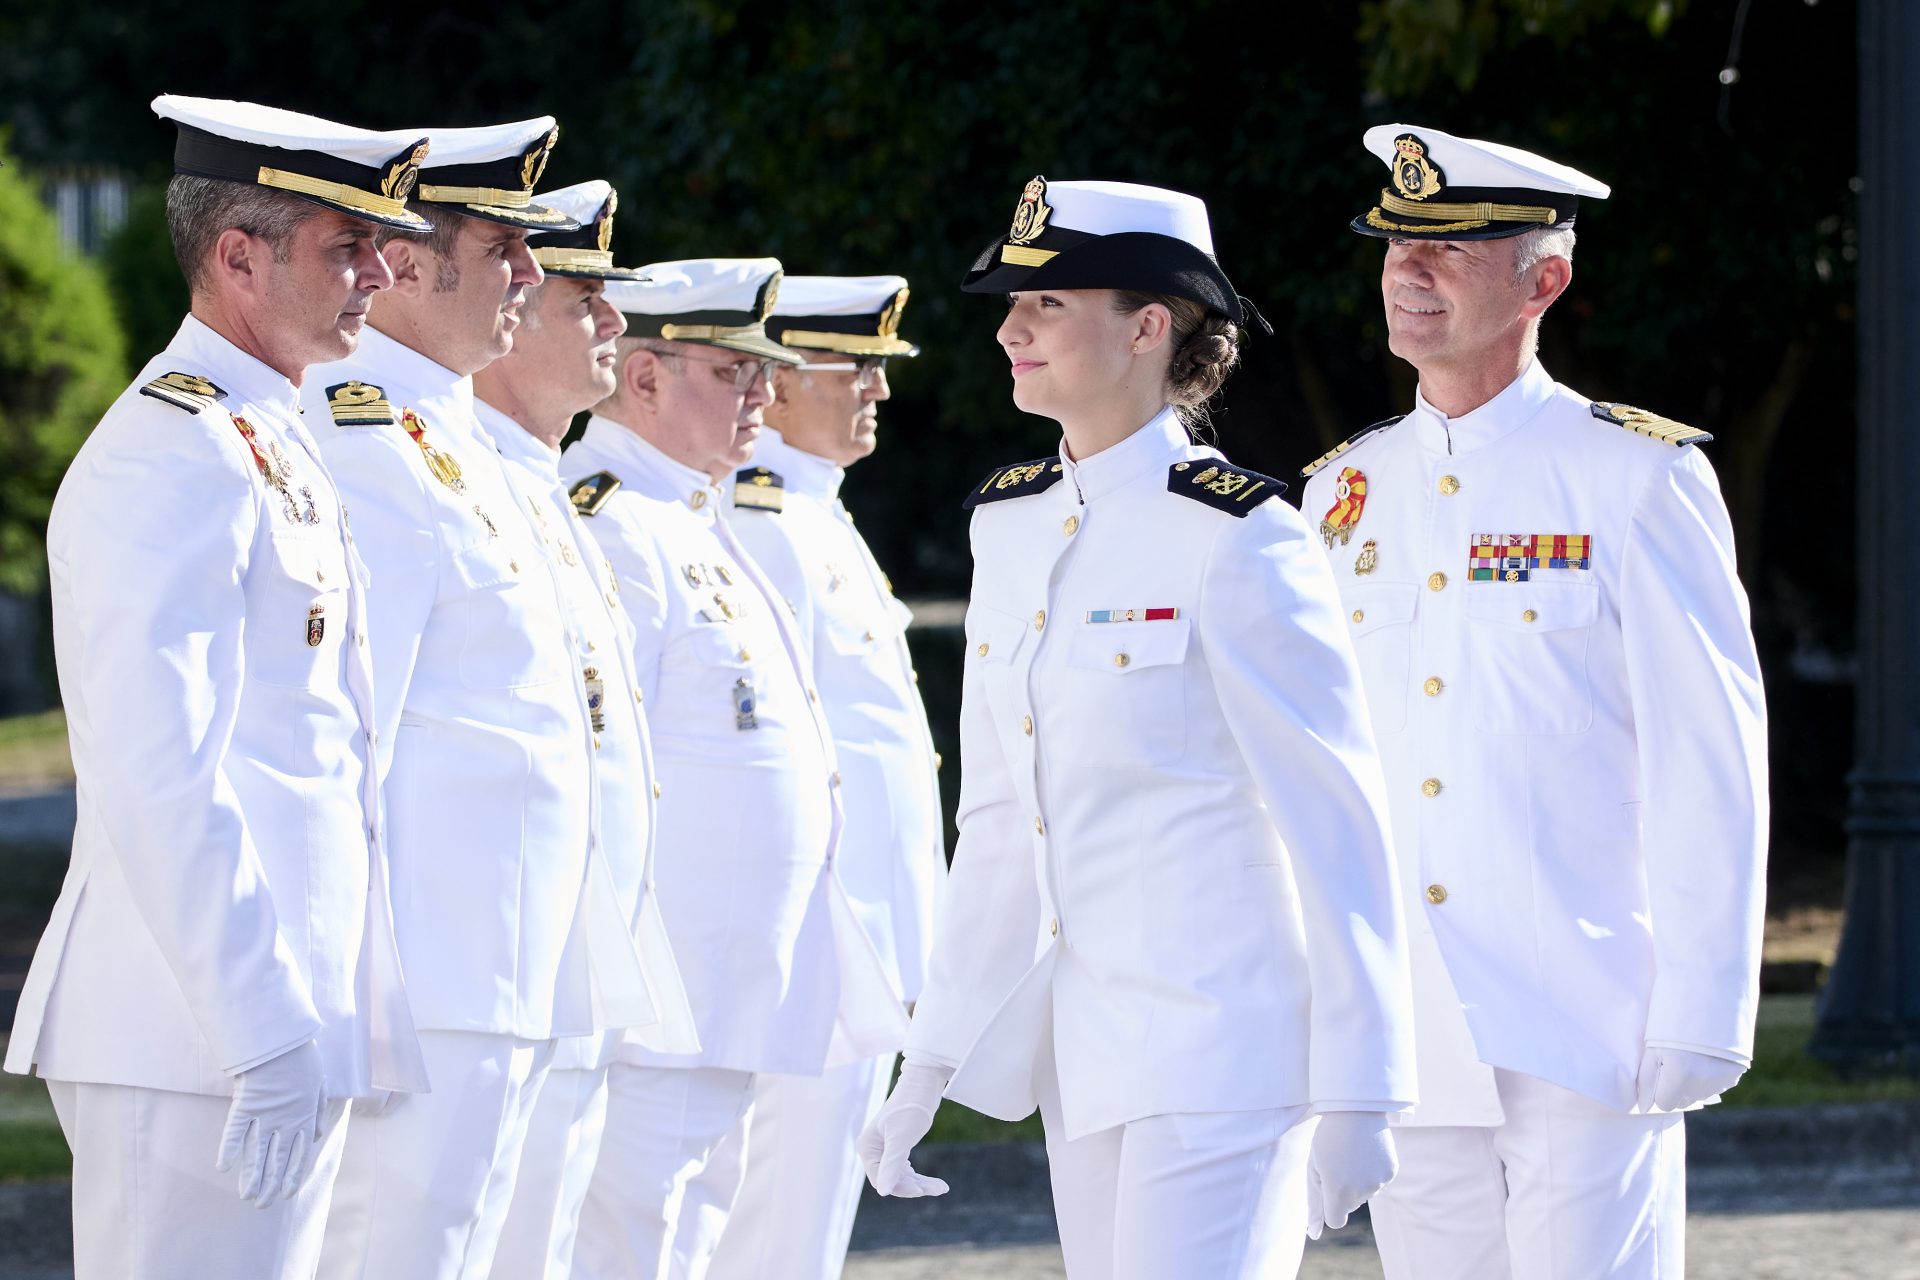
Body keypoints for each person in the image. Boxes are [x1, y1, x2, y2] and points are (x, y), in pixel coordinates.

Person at [858, 177, 1417, 1278]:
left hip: (1225, 1050)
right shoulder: (1012, 521)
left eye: (1048, 302)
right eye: (1010, 302)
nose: (1010, 326)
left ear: (1149, 325)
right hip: (1091, 1055)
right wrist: (927, 1059)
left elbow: (1336, 819)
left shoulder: (1242, 535)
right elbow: (1004, 818)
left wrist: (1364, 1083)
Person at [1305, 124, 1769, 1279]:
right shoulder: (1339, 493)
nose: (1407, 271)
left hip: (1583, 1014)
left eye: (1447, 249)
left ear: (1543, 278)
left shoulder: (1635, 475)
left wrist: (1705, 1008)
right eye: (1394, 246)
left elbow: (1709, 758)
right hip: (1413, 1025)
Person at [3, 95, 431, 1279]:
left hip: (274, 1021)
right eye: (344, 246)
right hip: (195, 1032)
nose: (380, 271)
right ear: (237, 254)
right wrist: (260, 1031)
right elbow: (160, 772)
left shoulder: (265, 432)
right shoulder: (172, 451)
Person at [300, 118, 661, 1280]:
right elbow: (346, 740)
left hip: (518, 967)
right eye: (505, 249)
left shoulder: (475, 448)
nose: (529, 274)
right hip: (429, 988)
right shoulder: (363, 440)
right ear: (407, 264)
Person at [559, 259, 908, 1278]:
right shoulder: (613, 521)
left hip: (726, 990)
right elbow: (601, 774)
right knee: (631, 1245)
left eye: (765, 369)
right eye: (732, 368)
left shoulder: (692, 515)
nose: (764, 389)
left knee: (690, 1237)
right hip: (660, 998)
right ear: (644, 376)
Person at [477, 179, 699, 1280]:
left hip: (572, 965)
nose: (615, 322)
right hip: (483, 977)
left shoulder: (539, 488)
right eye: (585, 300)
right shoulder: (465, 477)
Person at [712, 275, 944, 1280]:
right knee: (767, 1224)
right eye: (854, 366)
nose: (878, 390)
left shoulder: (814, 508)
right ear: (782, 377)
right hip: (811, 949)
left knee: (797, 1224)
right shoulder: (757, 514)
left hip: (852, 944)